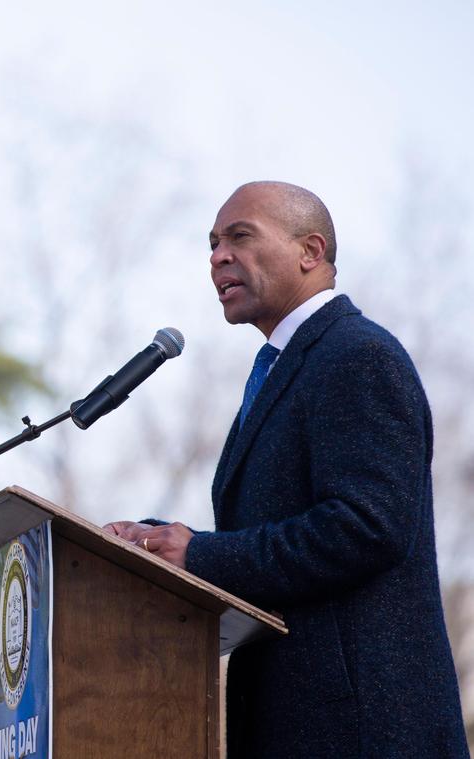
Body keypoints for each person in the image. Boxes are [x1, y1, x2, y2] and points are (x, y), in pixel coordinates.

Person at [105, 181, 468, 758]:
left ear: (310, 251)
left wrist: (199, 554)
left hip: (361, 731)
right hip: (297, 725)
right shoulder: (287, 366)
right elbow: (283, 532)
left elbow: (365, 528)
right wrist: (157, 542)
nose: (218, 256)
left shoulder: (356, 355)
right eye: (214, 243)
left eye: (240, 237)